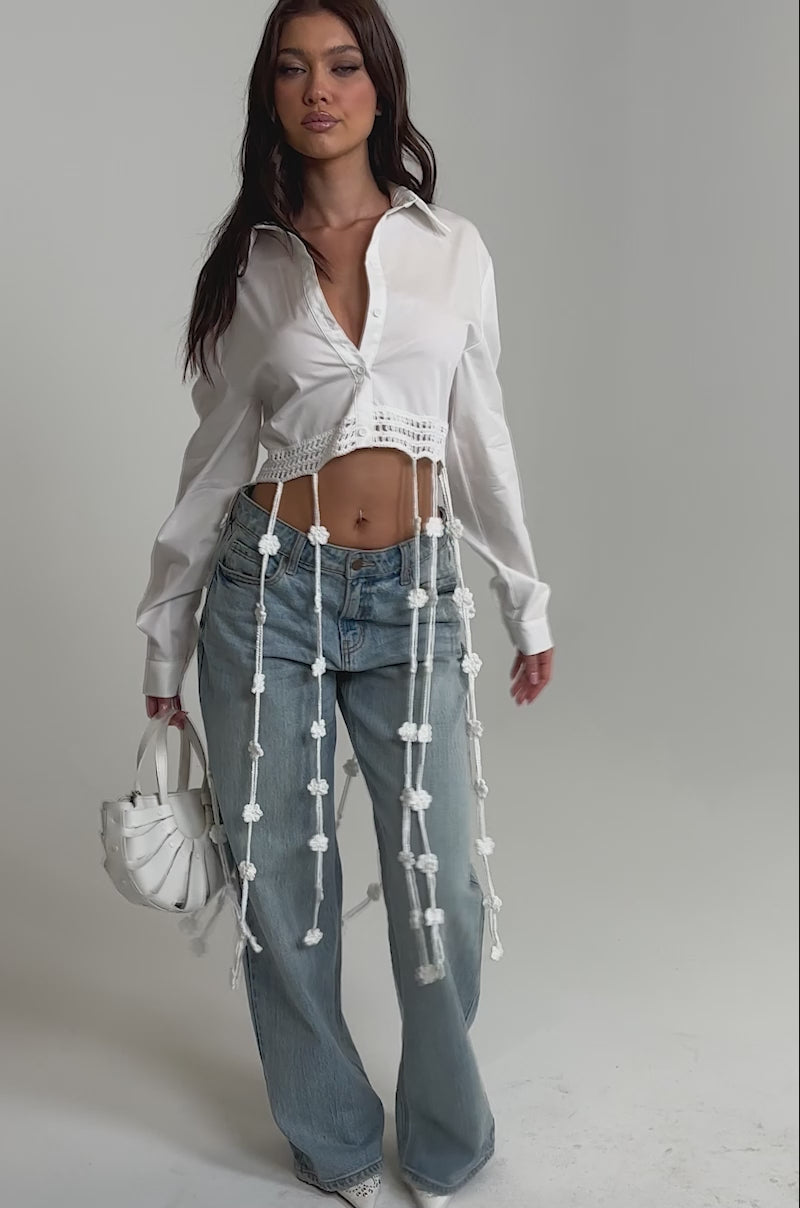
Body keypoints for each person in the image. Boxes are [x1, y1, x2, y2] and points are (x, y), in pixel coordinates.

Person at [134, 2, 554, 1205]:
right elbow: (213, 462)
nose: (318, 89)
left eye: (342, 65)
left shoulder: (450, 249)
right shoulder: (254, 269)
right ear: (270, 98)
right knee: (280, 883)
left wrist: (522, 597)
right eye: (292, 70)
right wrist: (164, 635)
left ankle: (443, 1136)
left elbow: (478, 436)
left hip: (413, 596)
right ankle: (330, 1137)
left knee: (444, 882)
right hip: (267, 593)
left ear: (379, 87)